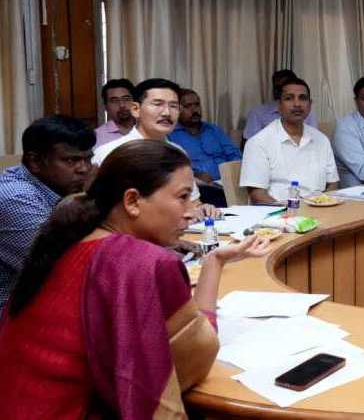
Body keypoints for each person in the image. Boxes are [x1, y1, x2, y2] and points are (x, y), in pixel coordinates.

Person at [0, 140, 270, 418]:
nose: (191, 212)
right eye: (183, 197)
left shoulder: (72, 237)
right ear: (132, 201)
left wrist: (215, 260)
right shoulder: (142, 262)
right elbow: (193, 360)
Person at [0, 116, 95, 312]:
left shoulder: (58, 189)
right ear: (35, 161)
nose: (84, 169)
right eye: (71, 160)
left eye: (88, 159)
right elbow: (67, 269)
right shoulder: (15, 196)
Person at [92, 78, 219, 219]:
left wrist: (203, 208)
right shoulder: (109, 153)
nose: (167, 113)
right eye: (158, 104)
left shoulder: (178, 153)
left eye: (173, 106)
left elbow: (192, 202)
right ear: (135, 109)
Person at [241, 77, 339, 203]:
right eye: (289, 98)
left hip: (318, 209)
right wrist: (290, 211)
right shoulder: (258, 143)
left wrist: (324, 204)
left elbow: (332, 184)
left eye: (302, 98)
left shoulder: (322, 140)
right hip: (279, 211)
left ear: (310, 105)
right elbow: (257, 194)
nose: (297, 104)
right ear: (279, 105)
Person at [168, 88, 241, 206]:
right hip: (200, 187)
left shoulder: (213, 129)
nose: (194, 110)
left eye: (197, 105)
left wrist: (232, 174)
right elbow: (174, 168)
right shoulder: (171, 135)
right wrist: (196, 176)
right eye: (188, 106)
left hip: (227, 184)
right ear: (177, 109)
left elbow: (234, 155)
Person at [243, 69, 318, 142]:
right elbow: (249, 143)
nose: (278, 91)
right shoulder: (257, 112)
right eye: (277, 87)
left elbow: (314, 140)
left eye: (283, 86)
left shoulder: (306, 112)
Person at [93, 78, 137, 147]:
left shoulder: (149, 129)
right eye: (114, 101)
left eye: (126, 99)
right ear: (105, 106)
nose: (122, 105)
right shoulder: (96, 137)